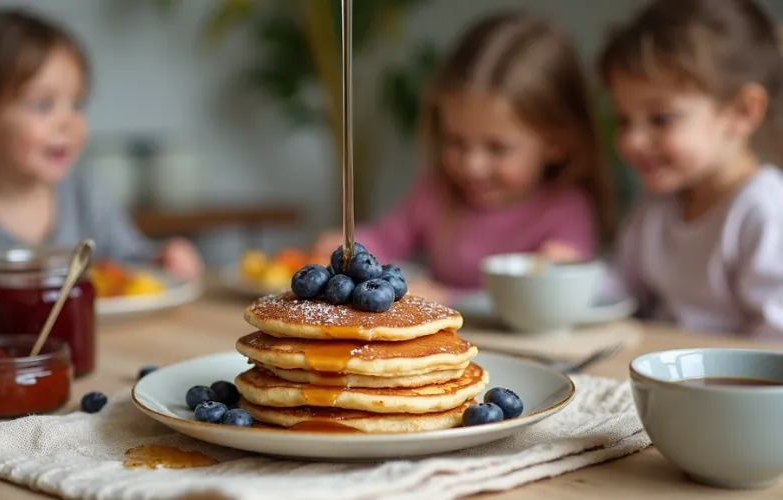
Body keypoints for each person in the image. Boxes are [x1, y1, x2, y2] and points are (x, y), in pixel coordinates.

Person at [313, 12, 614, 303]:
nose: (472, 166)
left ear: (556, 143)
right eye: (456, 141)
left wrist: (449, 299)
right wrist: (349, 247)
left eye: (497, 148)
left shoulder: (566, 210)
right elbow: (384, 240)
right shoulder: (436, 192)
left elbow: (549, 300)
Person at [0, 8, 202, 311]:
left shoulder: (85, 192)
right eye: (42, 105)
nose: (68, 122)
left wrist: (163, 258)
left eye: (76, 104)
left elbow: (129, 262)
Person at [599, 0, 783, 337]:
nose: (632, 141)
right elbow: (622, 287)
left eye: (661, 119)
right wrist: (569, 278)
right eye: (623, 119)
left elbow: (776, 333)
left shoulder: (763, 212)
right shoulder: (658, 203)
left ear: (742, 111)